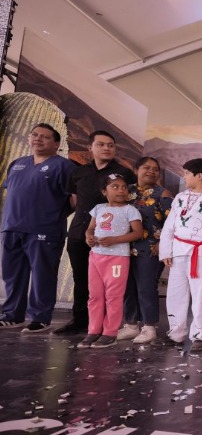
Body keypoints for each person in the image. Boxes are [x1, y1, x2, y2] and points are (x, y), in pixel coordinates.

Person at [55, 130, 136, 335]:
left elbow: (129, 203)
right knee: (81, 279)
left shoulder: (124, 173)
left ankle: (107, 326)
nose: (106, 148)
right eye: (101, 144)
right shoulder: (79, 172)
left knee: (110, 285)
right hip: (79, 233)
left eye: (110, 145)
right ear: (90, 148)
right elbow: (74, 202)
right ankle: (80, 321)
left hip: (109, 240)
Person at [0, 124, 75, 331]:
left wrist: (52, 216)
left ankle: (39, 318)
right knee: (12, 275)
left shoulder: (64, 166)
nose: (38, 139)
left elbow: (74, 200)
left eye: (45, 137)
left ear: (56, 144)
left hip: (45, 230)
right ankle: (12, 315)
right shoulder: (17, 164)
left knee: (43, 276)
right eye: (34, 135)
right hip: (12, 227)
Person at [159, 158, 202, 352]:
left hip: (199, 253)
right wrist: (166, 250)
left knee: (199, 295)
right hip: (178, 251)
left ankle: (200, 336)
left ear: (199, 175)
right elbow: (169, 225)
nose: (184, 177)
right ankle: (176, 333)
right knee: (175, 294)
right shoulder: (179, 197)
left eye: (186, 173)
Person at [77, 174, 143, 349]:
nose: (121, 190)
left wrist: (115, 240)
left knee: (113, 296)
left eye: (124, 187)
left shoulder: (130, 210)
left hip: (117, 258)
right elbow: (90, 228)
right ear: (104, 191)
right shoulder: (98, 208)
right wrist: (89, 237)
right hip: (96, 256)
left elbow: (137, 233)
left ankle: (110, 333)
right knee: (95, 296)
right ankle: (93, 330)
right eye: (115, 187)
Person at [117, 157, 173, 345]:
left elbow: (172, 223)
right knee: (127, 287)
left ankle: (149, 327)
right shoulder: (126, 191)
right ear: (136, 170)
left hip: (150, 249)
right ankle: (131, 325)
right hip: (123, 247)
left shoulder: (163, 194)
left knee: (146, 287)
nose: (151, 171)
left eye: (155, 169)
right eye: (146, 168)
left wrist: (162, 243)